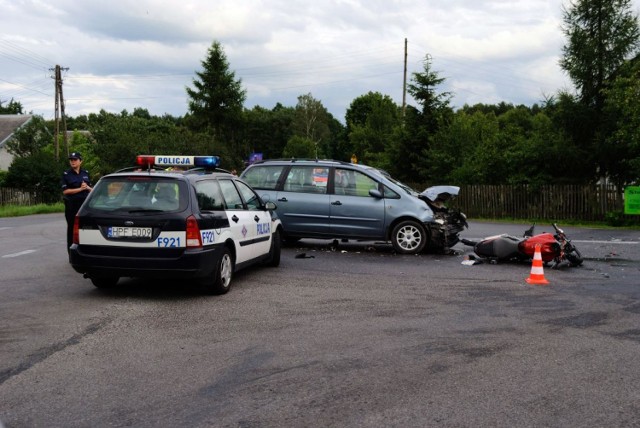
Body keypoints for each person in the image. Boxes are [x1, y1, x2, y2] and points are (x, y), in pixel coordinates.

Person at [61, 152, 92, 251]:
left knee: (86, 229)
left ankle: (85, 251)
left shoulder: (85, 173)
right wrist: (80, 189)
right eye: (71, 160)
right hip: (72, 206)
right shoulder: (66, 174)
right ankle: (71, 252)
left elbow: (91, 189)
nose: (73, 162)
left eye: (75, 160)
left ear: (80, 161)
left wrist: (86, 187)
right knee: (72, 230)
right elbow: (66, 191)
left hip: (84, 206)